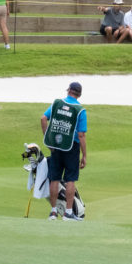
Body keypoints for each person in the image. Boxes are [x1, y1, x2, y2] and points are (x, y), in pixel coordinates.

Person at [41, 81, 87, 221]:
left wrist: (47, 138)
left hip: (56, 146)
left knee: (54, 178)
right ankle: (68, 213)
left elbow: (43, 118)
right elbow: (81, 135)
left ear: (68, 90)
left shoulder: (57, 103)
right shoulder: (80, 110)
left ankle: (53, 212)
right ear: (79, 94)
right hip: (71, 147)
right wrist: (84, 155)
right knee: (70, 179)